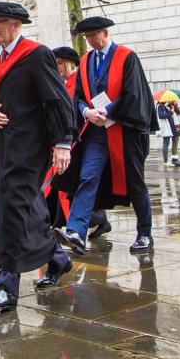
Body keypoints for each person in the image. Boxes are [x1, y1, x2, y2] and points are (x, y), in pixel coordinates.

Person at [0, 1, 74, 310]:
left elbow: (57, 101)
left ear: (16, 25)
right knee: (19, 207)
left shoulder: (36, 55)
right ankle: (57, 259)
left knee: (14, 210)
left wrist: (62, 142)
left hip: (29, 148)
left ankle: (5, 287)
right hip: (1, 146)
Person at [52, 16, 159, 256]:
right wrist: (86, 111)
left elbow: (134, 92)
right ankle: (76, 232)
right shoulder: (86, 60)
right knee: (87, 177)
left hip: (125, 130)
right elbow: (78, 97)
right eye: (87, 37)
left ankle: (144, 233)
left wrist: (107, 111)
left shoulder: (127, 57)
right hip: (97, 131)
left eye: (94, 36)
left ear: (105, 33)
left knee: (135, 183)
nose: (90, 41)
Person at [47, 46, 108, 238]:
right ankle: (92, 222)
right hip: (67, 141)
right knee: (68, 185)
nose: (57, 68)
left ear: (68, 63)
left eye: (59, 63)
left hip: (79, 141)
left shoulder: (78, 82)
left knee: (69, 186)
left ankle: (75, 230)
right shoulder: (63, 84)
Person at [158, 99, 180, 166]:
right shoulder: (161, 106)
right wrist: (171, 111)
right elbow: (162, 116)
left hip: (175, 127)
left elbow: (178, 113)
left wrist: (174, 106)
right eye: (172, 100)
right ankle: (166, 161)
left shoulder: (171, 106)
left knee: (175, 143)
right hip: (168, 128)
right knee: (166, 144)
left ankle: (174, 159)